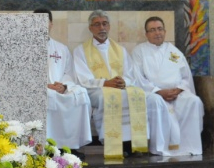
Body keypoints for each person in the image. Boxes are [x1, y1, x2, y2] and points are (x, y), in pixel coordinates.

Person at [71, 10, 175, 158]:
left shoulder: (120, 50)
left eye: (105, 24)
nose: (102, 28)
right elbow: (82, 78)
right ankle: (116, 144)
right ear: (90, 28)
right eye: (97, 24)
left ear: (109, 26)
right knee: (105, 98)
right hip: (96, 90)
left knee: (144, 98)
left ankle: (135, 144)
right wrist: (106, 83)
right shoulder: (80, 51)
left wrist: (123, 81)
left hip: (121, 88)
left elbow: (130, 73)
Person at [131, 17, 204, 156]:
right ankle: (160, 148)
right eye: (152, 30)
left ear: (165, 31)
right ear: (146, 34)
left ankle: (189, 147)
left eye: (159, 29)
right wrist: (159, 92)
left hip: (176, 93)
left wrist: (179, 89)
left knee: (194, 101)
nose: (157, 33)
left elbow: (185, 76)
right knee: (156, 101)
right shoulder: (139, 51)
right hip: (153, 93)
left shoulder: (174, 52)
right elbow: (138, 78)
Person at [35, 9, 92, 151]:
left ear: (51, 24)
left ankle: (72, 146)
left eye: (45, 21)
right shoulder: (25, 47)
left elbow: (69, 73)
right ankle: (48, 147)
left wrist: (64, 86)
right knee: (49, 95)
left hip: (59, 88)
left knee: (81, 94)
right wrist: (45, 85)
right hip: (40, 90)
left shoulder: (61, 49)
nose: (42, 25)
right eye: (38, 21)